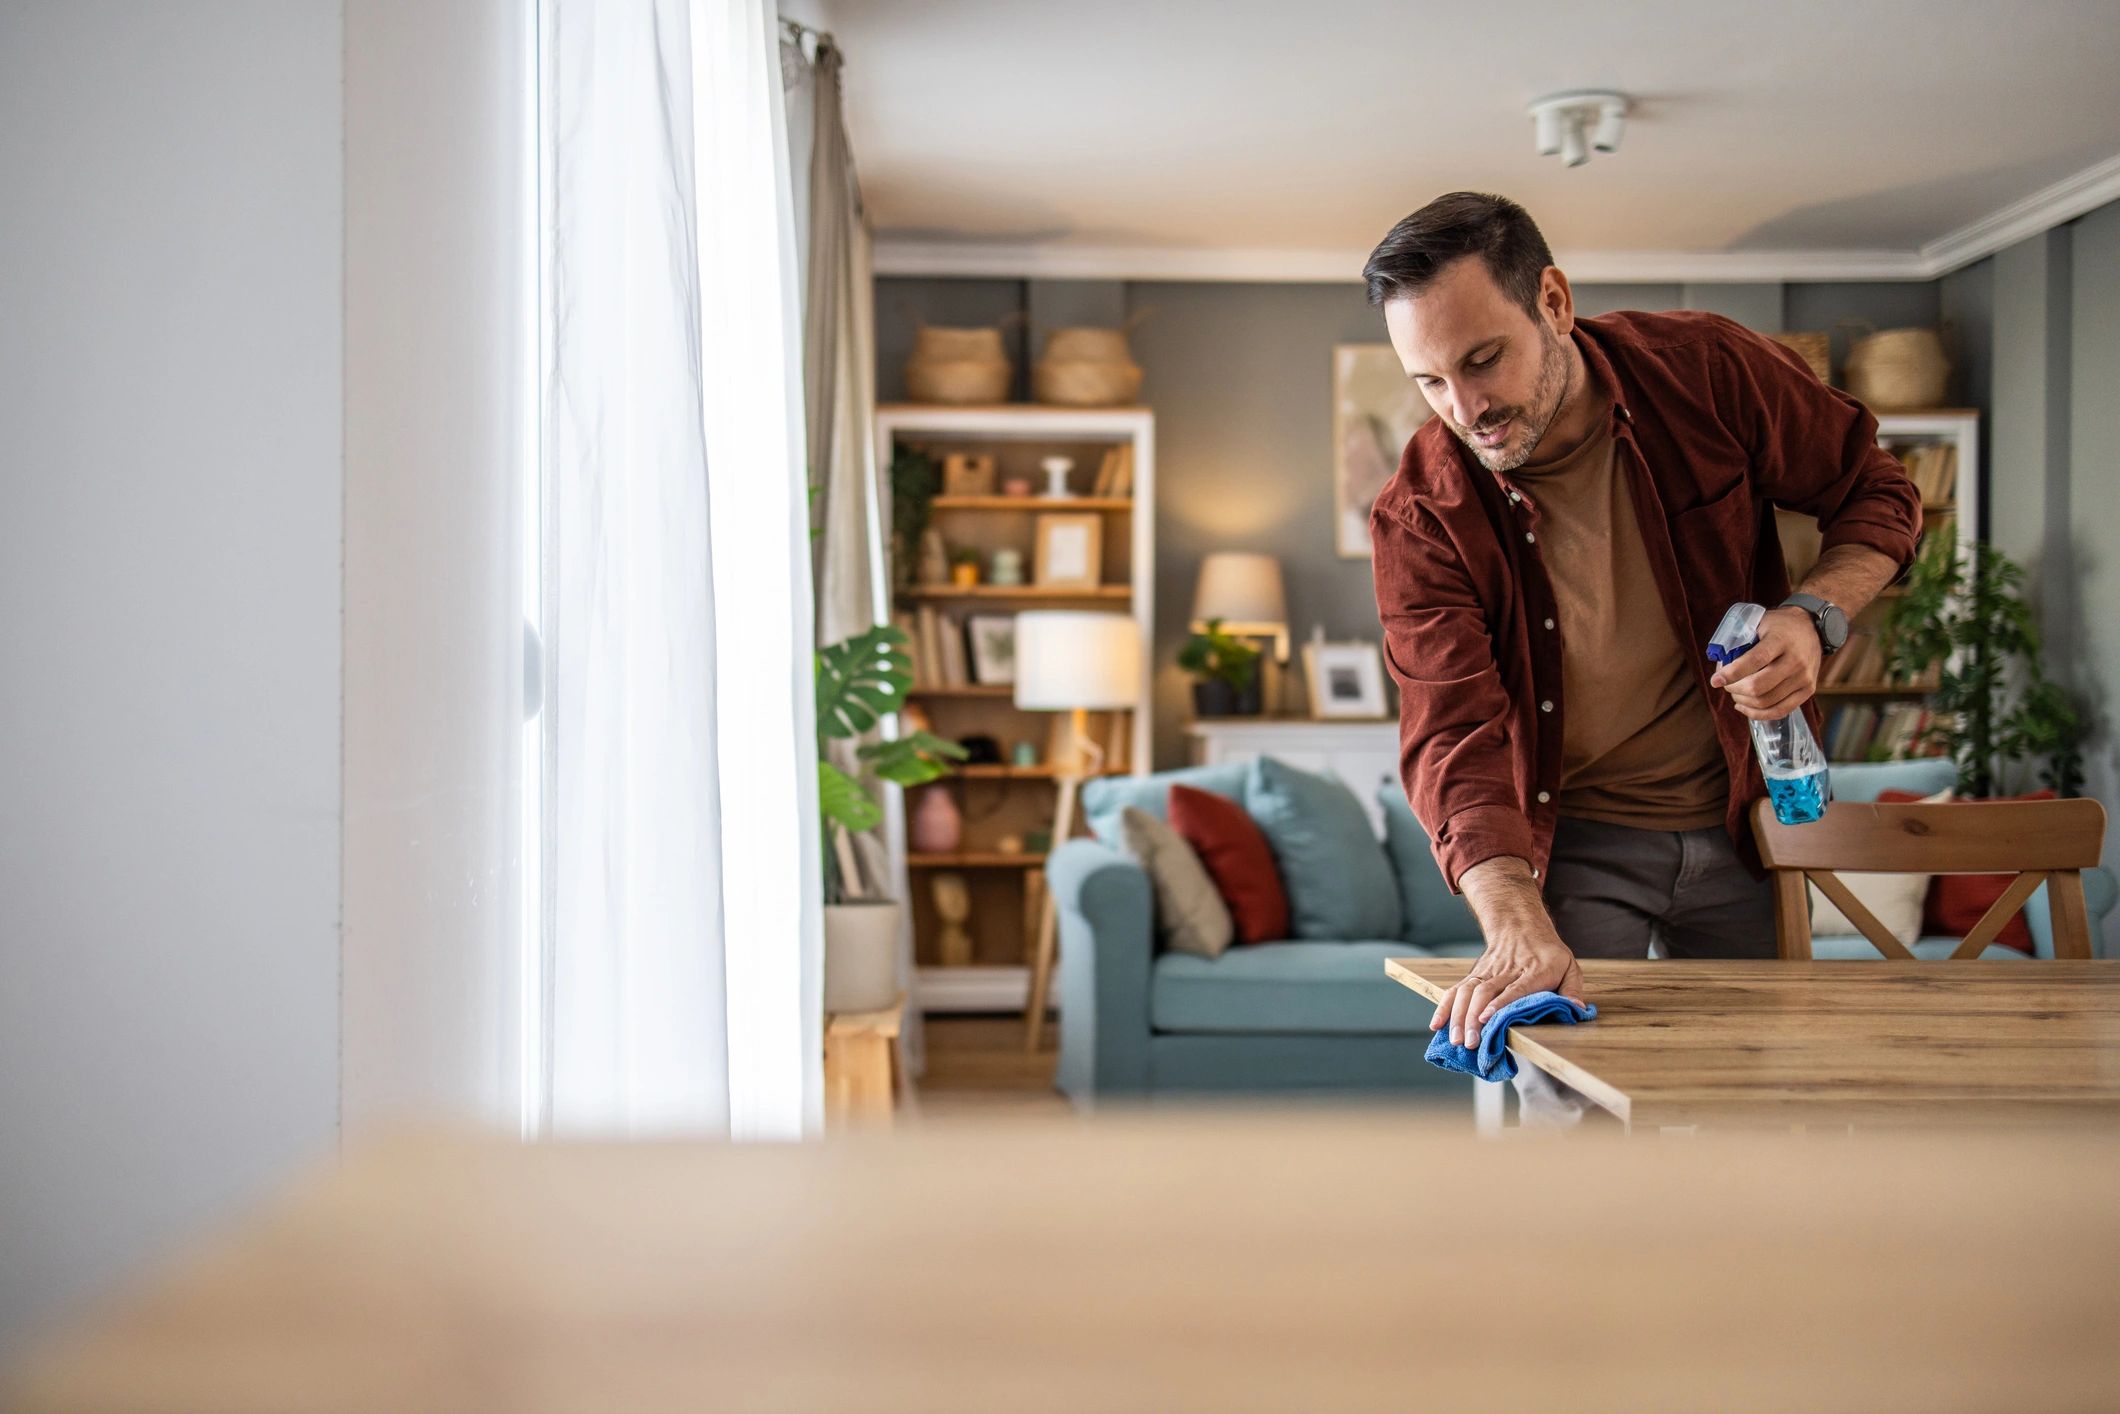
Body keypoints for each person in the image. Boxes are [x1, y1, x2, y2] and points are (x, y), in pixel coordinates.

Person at [1362, 191, 1922, 1084]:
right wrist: (1511, 921)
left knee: (1766, 1101)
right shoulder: (1422, 514)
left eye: (1483, 360)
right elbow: (1451, 733)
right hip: (1575, 840)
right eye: (1430, 381)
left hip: (1749, 820)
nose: (1465, 409)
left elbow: (1877, 489)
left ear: (1552, 301)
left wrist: (1814, 613)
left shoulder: (1707, 371)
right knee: (1569, 1113)